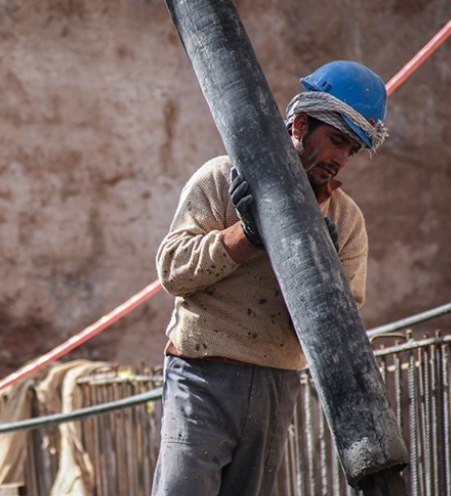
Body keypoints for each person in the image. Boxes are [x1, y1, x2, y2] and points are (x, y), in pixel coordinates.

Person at [150, 60, 389, 496]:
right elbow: (171, 271)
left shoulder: (345, 221)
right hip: (202, 375)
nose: (340, 158)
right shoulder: (223, 179)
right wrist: (246, 234)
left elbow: (342, 327)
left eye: (350, 149)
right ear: (299, 124)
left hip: (275, 387)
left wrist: (320, 264)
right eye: (336, 140)